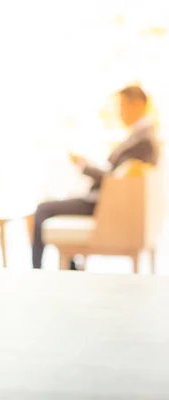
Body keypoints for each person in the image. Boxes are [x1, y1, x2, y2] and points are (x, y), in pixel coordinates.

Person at [32, 85, 160, 269]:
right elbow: (117, 173)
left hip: (104, 204)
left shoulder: (144, 140)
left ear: (138, 104)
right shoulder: (142, 136)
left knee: (43, 209)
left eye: (122, 106)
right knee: (50, 203)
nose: (119, 112)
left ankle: (37, 271)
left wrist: (84, 166)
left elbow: (114, 179)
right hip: (106, 200)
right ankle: (71, 268)